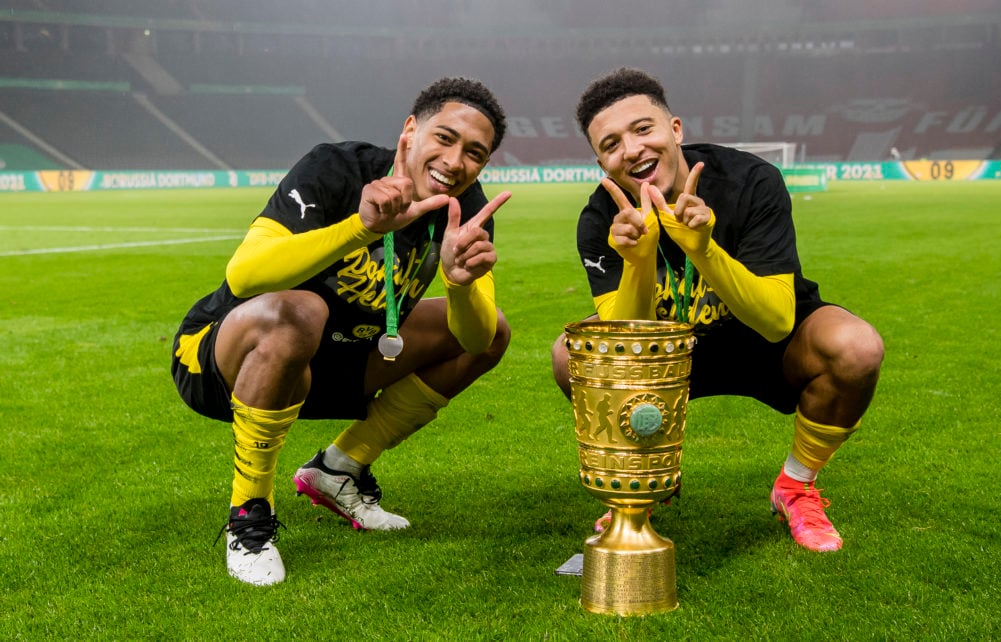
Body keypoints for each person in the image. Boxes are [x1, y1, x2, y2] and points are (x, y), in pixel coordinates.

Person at [171, 77, 512, 585]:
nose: (456, 161)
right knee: (300, 312)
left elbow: (476, 339)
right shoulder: (338, 168)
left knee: (495, 330)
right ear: (411, 129)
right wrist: (363, 228)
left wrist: (461, 285)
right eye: (445, 137)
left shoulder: (464, 208)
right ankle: (249, 516)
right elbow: (244, 274)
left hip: (337, 360)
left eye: (475, 153)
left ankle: (338, 469)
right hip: (224, 359)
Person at [551, 67, 884, 552]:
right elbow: (626, 332)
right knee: (573, 355)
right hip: (674, 354)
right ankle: (644, 482)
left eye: (643, 129)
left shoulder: (752, 181)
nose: (633, 150)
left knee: (855, 347)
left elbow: (776, 322)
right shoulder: (602, 218)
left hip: (766, 341)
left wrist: (704, 249)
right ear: (602, 162)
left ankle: (795, 485)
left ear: (675, 130)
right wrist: (640, 260)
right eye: (611, 144)